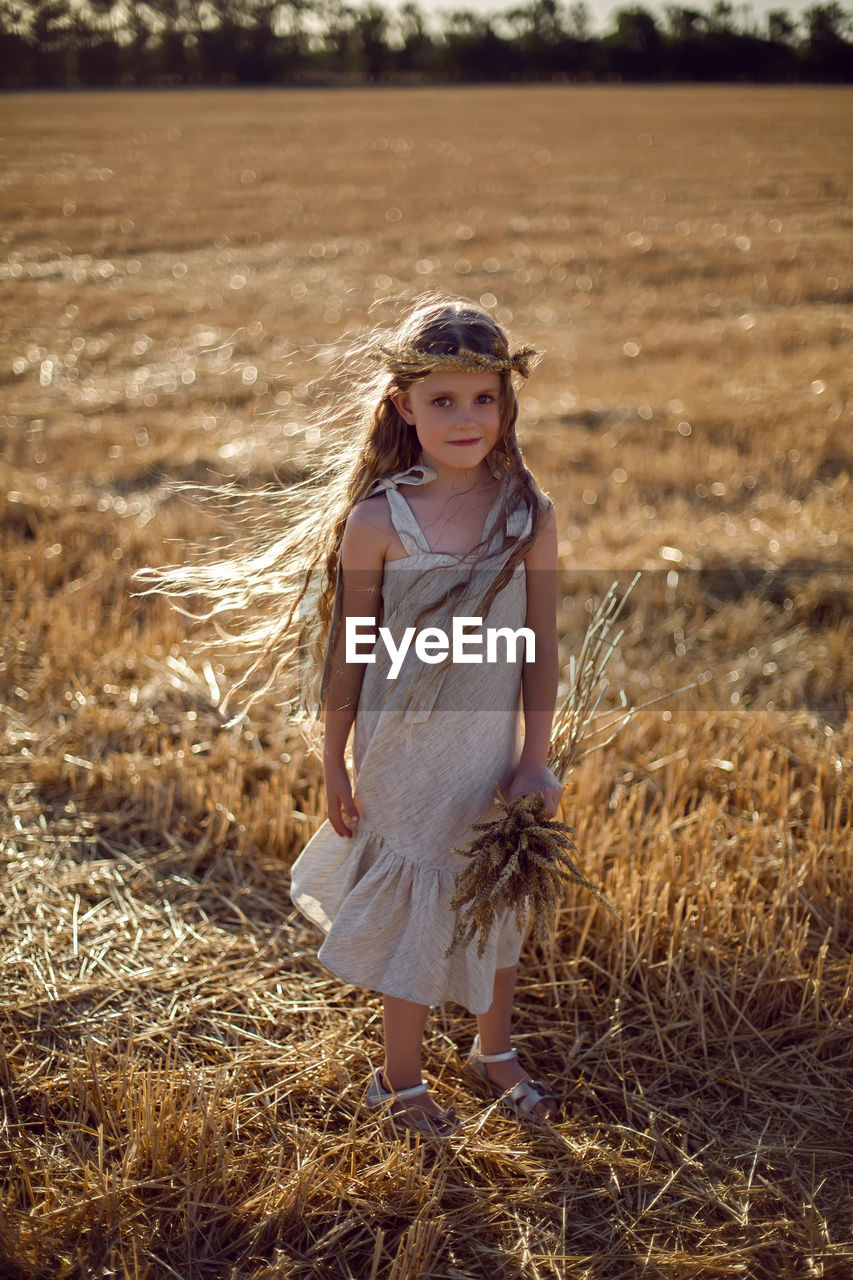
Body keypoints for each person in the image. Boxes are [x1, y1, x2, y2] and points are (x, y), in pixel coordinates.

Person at [288, 296, 563, 1134]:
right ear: (403, 406)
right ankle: (397, 1080)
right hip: (401, 751)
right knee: (416, 902)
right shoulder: (378, 524)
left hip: (488, 750)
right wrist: (333, 761)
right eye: (442, 399)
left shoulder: (527, 514)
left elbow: (540, 644)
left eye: (483, 398)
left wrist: (535, 755)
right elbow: (350, 653)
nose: (465, 417)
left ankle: (492, 1050)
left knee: (495, 891)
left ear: (506, 405)